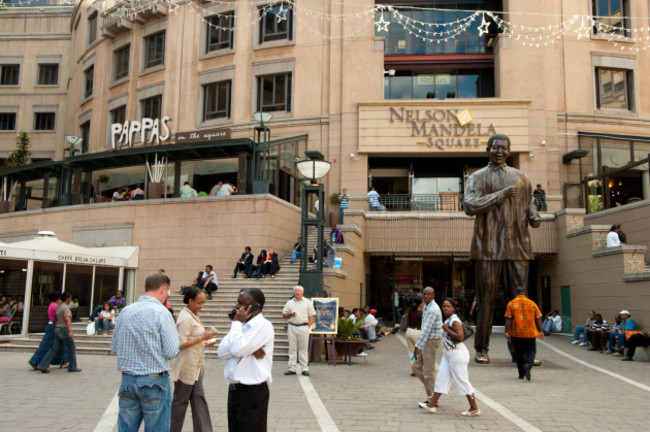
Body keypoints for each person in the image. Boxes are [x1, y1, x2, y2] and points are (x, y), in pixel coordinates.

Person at [464, 133, 541, 364]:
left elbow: (529, 203)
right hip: (487, 247)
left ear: (509, 151)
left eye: (503, 148)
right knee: (486, 300)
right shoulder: (477, 177)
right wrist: (500, 195)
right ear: (488, 149)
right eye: (495, 147)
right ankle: (481, 348)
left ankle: (523, 352)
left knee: (520, 302)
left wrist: (534, 216)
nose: (499, 151)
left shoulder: (521, 177)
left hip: (518, 246)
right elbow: (469, 205)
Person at [111, 272, 179, 432]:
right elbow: (171, 351)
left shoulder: (125, 311)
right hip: (154, 380)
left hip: (127, 381)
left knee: (126, 428)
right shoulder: (162, 312)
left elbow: (114, 348)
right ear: (163, 289)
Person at [217, 288, 274, 432]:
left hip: (252, 392)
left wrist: (236, 325)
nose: (238, 308)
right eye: (237, 303)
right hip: (235, 392)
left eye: (242, 304)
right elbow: (221, 352)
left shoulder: (262, 325)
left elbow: (237, 349)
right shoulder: (241, 326)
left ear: (255, 306)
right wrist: (250, 348)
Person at [419, 298, 480, 416]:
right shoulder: (448, 319)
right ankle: (432, 404)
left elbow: (460, 337)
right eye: (444, 306)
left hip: (457, 355)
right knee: (441, 379)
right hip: (448, 355)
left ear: (453, 308)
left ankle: (474, 408)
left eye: (448, 306)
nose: (445, 308)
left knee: (462, 380)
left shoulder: (454, 320)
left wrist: (446, 329)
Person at [170, 286, 218, 432]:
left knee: (199, 399)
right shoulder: (185, 318)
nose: (201, 306)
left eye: (203, 303)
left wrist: (204, 341)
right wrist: (201, 338)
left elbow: (194, 339)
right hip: (186, 368)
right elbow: (179, 344)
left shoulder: (192, 315)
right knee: (180, 402)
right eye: (199, 303)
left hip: (196, 366)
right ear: (190, 301)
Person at [504, 287, 544, 381]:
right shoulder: (532, 303)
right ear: (524, 293)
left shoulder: (511, 303)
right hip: (530, 333)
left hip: (516, 333)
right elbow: (538, 318)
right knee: (531, 351)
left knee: (519, 353)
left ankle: (521, 374)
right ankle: (528, 365)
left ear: (516, 293)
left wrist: (507, 331)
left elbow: (508, 319)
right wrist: (540, 331)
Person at [37, 292, 81, 373]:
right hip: (64, 329)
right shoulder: (65, 308)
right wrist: (70, 331)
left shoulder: (58, 306)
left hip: (57, 328)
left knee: (54, 348)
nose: (70, 299)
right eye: (70, 298)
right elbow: (67, 319)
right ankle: (73, 366)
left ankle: (42, 365)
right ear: (67, 299)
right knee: (71, 348)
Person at [413, 286, 442, 404]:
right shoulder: (426, 306)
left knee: (428, 371)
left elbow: (426, 329)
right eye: (424, 294)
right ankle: (434, 392)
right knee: (416, 366)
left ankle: (432, 399)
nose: (426, 296)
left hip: (432, 340)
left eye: (429, 294)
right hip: (426, 340)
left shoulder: (433, 309)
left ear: (433, 295)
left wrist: (417, 346)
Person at [28, 292, 69, 370]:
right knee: (49, 345)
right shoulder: (56, 306)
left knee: (55, 345)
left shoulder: (52, 305)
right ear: (58, 298)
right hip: (55, 327)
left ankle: (63, 362)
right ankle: (35, 361)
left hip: (52, 326)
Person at [282, 285, 315, 376]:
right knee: (292, 348)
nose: (297, 293)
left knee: (303, 349)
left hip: (303, 327)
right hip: (292, 327)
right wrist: (290, 314)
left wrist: (308, 326)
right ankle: (292, 368)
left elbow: (312, 315)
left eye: (299, 291)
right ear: (294, 293)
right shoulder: (289, 302)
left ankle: (304, 368)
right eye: (296, 291)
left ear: (302, 293)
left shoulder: (307, 302)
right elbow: (284, 315)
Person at [404, 298, 423, 376]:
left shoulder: (411, 311)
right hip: (417, 332)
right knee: (420, 351)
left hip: (408, 331)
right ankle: (418, 369)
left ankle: (413, 369)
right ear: (420, 304)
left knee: (411, 351)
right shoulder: (420, 313)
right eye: (422, 302)